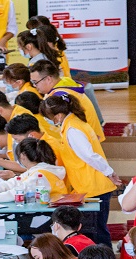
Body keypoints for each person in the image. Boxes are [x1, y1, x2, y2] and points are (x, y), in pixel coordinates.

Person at [39, 93, 117, 246]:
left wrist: (109, 172)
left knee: (98, 232)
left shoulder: (73, 130)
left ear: (59, 115)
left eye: (49, 117)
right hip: (88, 186)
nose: (48, 121)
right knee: (97, 230)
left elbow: (89, 156)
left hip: (94, 187)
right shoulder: (72, 124)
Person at [0, 139, 67, 204]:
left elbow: (15, 193)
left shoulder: (40, 174)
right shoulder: (36, 170)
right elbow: (10, 184)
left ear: (22, 156)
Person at [30, 61, 103, 139]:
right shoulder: (64, 81)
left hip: (85, 138)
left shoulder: (59, 97)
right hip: (92, 133)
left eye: (35, 82)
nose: (34, 86)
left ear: (48, 79)